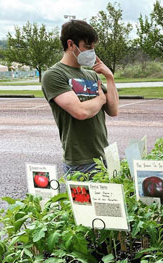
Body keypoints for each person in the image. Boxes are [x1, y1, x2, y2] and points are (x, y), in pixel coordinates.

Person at [42, 20, 119, 175]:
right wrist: (100, 99)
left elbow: (113, 110)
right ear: (71, 44)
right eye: (87, 47)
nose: (92, 52)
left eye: (93, 48)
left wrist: (109, 78)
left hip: (104, 154)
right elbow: (80, 112)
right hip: (80, 162)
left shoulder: (91, 74)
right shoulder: (54, 75)